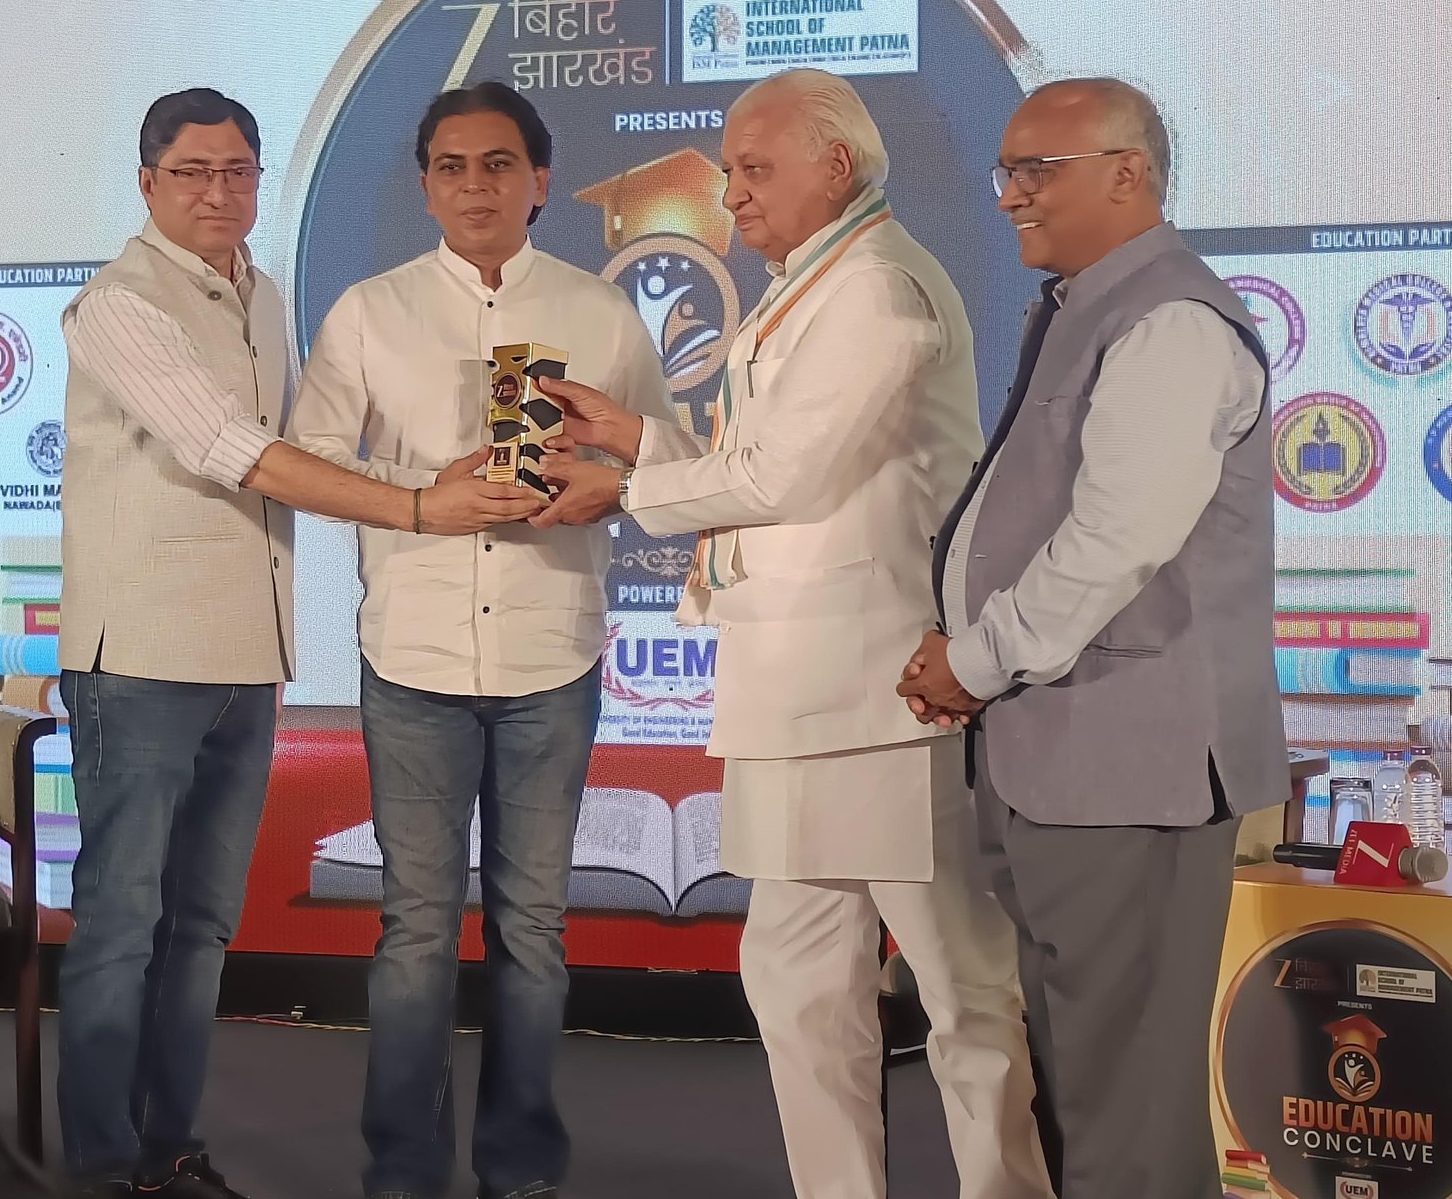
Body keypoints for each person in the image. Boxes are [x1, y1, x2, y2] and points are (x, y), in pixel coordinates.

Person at [534, 69, 1051, 1199]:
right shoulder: (807, 282)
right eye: (731, 168)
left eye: (754, 167)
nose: (731, 192)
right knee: (794, 975)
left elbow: (783, 476)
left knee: (959, 981)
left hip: (882, 690)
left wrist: (622, 485)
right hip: (793, 683)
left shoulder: (874, 287)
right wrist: (634, 439)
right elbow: (767, 469)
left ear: (837, 166)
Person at [58, 89, 540, 1199]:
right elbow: (236, 452)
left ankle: (166, 1149)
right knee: (121, 924)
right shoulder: (118, 305)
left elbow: (293, 447)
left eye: (237, 171)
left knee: (201, 927)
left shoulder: (261, 294)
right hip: (139, 661)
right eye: (193, 173)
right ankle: (99, 1167)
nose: (218, 192)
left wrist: (427, 476)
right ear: (147, 184)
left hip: (245, 658)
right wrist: (416, 508)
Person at [286, 81, 678, 1199]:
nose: (475, 186)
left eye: (499, 164)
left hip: (553, 651)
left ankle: (519, 1168)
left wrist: (601, 482)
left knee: (533, 934)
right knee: (416, 933)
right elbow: (312, 462)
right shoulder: (371, 311)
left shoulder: (602, 314)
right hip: (413, 654)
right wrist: (427, 488)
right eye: (451, 167)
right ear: (425, 186)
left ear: (540, 182)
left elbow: (667, 459)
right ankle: (405, 1172)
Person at [898, 78, 1289, 1199]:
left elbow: (1113, 544)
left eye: (1037, 171)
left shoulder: (1171, 322)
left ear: (1128, 174)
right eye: (1006, 171)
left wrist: (974, 662)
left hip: (1132, 767)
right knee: (1091, 1091)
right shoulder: (1084, 306)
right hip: (1067, 761)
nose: (1009, 195)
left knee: (1126, 1109)